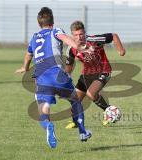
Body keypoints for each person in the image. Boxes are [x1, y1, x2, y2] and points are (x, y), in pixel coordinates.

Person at [15, 7, 91, 149]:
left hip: (41, 79)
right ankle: (82, 132)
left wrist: (25, 68)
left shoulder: (35, 37)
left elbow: (28, 55)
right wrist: (78, 46)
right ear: (53, 21)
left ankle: (49, 126)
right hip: (58, 75)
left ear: (39, 24)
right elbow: (66, 39)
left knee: (43, 112)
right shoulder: (56, 30)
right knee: (75, 100)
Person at [65, 20, 126, 128]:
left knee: (90, 93)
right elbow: (69, 67)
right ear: (72, 35)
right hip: (86, 75)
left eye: (81, 34)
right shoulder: (71, 48)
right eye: (76, 35)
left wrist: (121, 50)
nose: (79, 37)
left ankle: (111, 112)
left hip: (103, 71)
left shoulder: (94, 40)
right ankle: (76, 122)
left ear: (85, 33)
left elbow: (114, 36)